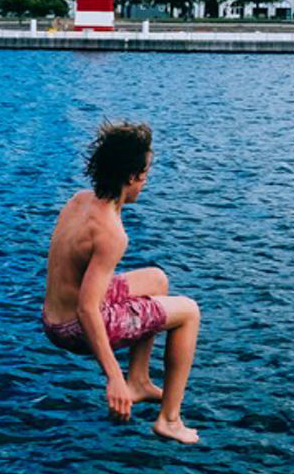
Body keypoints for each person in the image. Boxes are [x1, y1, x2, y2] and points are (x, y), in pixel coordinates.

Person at [41, 122, 201, 444]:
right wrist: (113, 376)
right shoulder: (112, 233)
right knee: (189, 312)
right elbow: (88, 309)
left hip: (53, 314)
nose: (146, 182)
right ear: (130, 178)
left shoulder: (80, 200)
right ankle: (169, 419)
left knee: (157, 279)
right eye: (145, 175)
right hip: (73, 326)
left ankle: (139, 381)